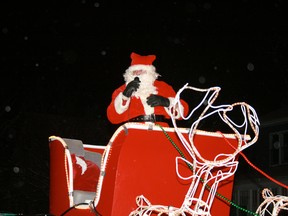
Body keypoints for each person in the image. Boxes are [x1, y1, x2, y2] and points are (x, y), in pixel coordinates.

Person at [106, 52, 189, 126]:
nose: (137, 74)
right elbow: (112, 118)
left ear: (150, 72)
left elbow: (183, 113)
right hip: (135, 131)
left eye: (141, 71)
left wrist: (167, 102)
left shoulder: (163, 87)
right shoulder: (122, 90)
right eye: (134, 72)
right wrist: (124, 97)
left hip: (161, 131)